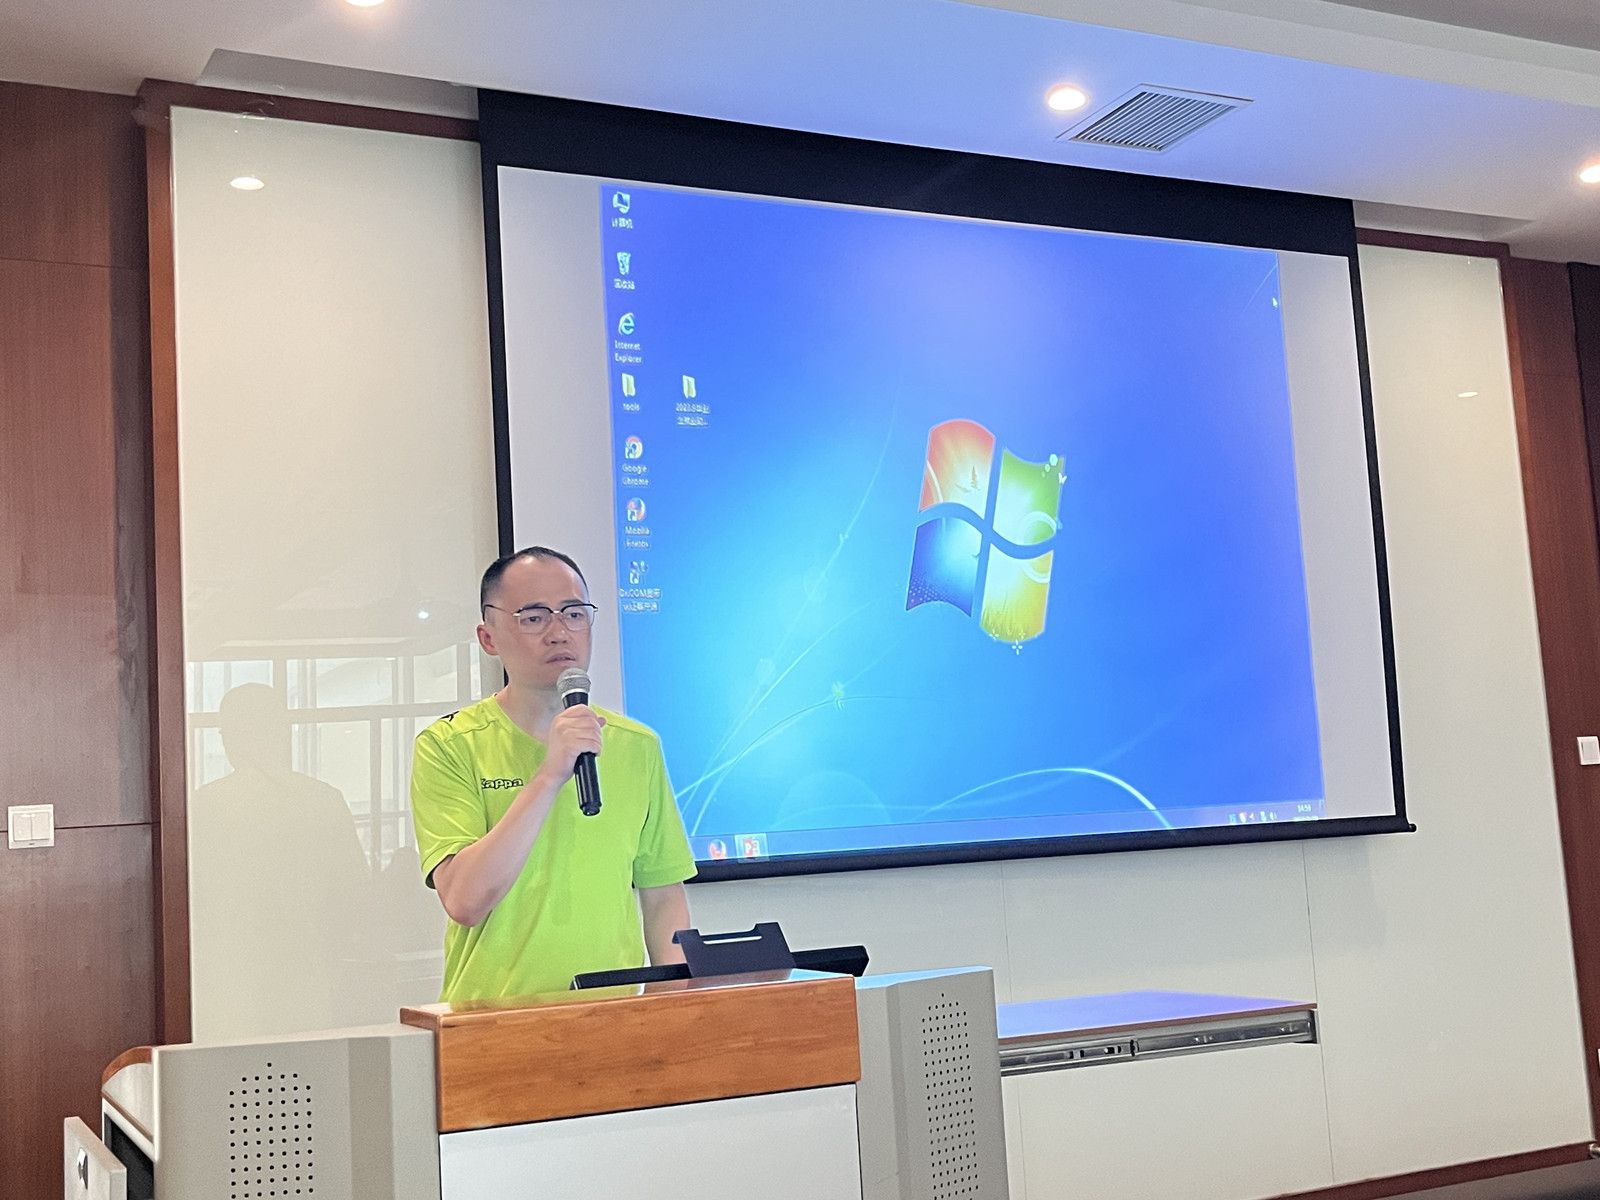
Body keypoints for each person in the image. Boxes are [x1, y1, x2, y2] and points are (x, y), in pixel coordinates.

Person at [410, 546, 695, 1002]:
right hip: (493, 1020)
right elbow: (464, 900)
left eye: (574, 614)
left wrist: (679, 1008)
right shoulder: (449, 745)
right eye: (534, 617)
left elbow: (663, 898)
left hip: (613, 1017)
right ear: (488, 638)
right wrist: (548, 775)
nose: (559, 632)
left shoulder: (636, 745)